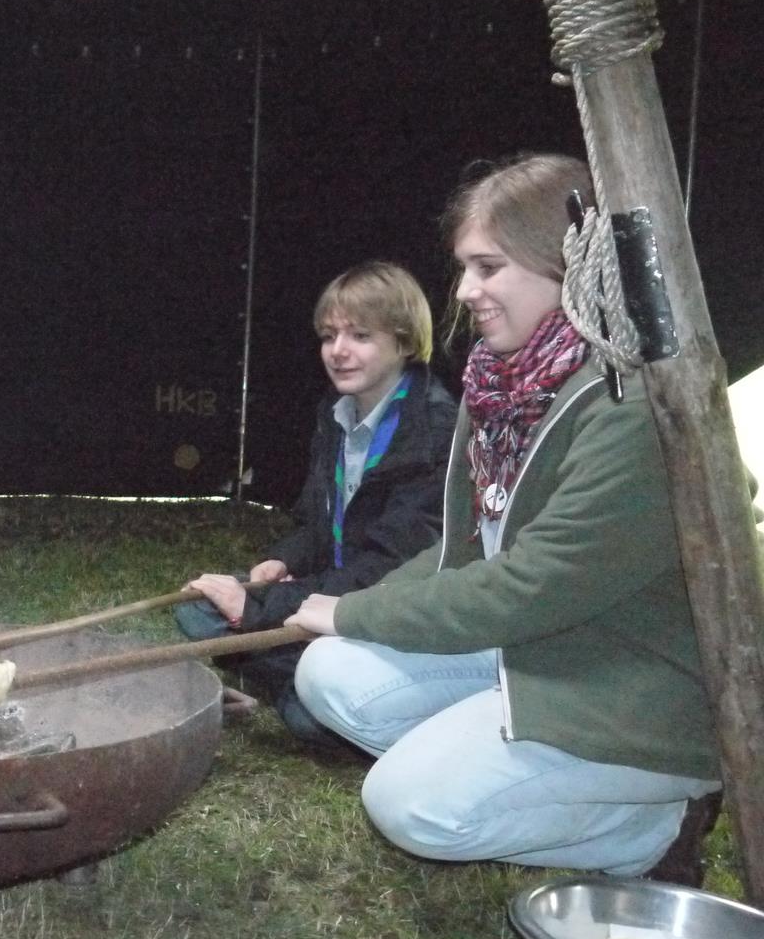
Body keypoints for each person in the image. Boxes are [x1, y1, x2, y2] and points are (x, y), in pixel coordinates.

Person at [289, 153, 722, 884]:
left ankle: (655, 830)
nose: (465, 291)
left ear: (565, 264)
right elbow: (463, 551)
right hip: (536, 647)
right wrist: (362, 606)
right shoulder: (501, 388)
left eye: (488, 268)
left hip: (628, 688)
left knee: (408, 804)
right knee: (329, 672)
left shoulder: (633, 407)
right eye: (465, 268)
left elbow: (531, 586)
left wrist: (358, 611)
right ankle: (502, 766)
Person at [177, 261, 456, 745]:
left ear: (405, 342)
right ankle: (304, 683)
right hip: (333, 593)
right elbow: (317, 524)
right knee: (197, 609)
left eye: (360, 336)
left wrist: (258, 609)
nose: (338, 351)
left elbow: (387, 570)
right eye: (329, 336)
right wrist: (283, 560)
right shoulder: (335, 411)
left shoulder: (435, 431)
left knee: (303, 707)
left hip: (386, 609)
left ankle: (306, 689)